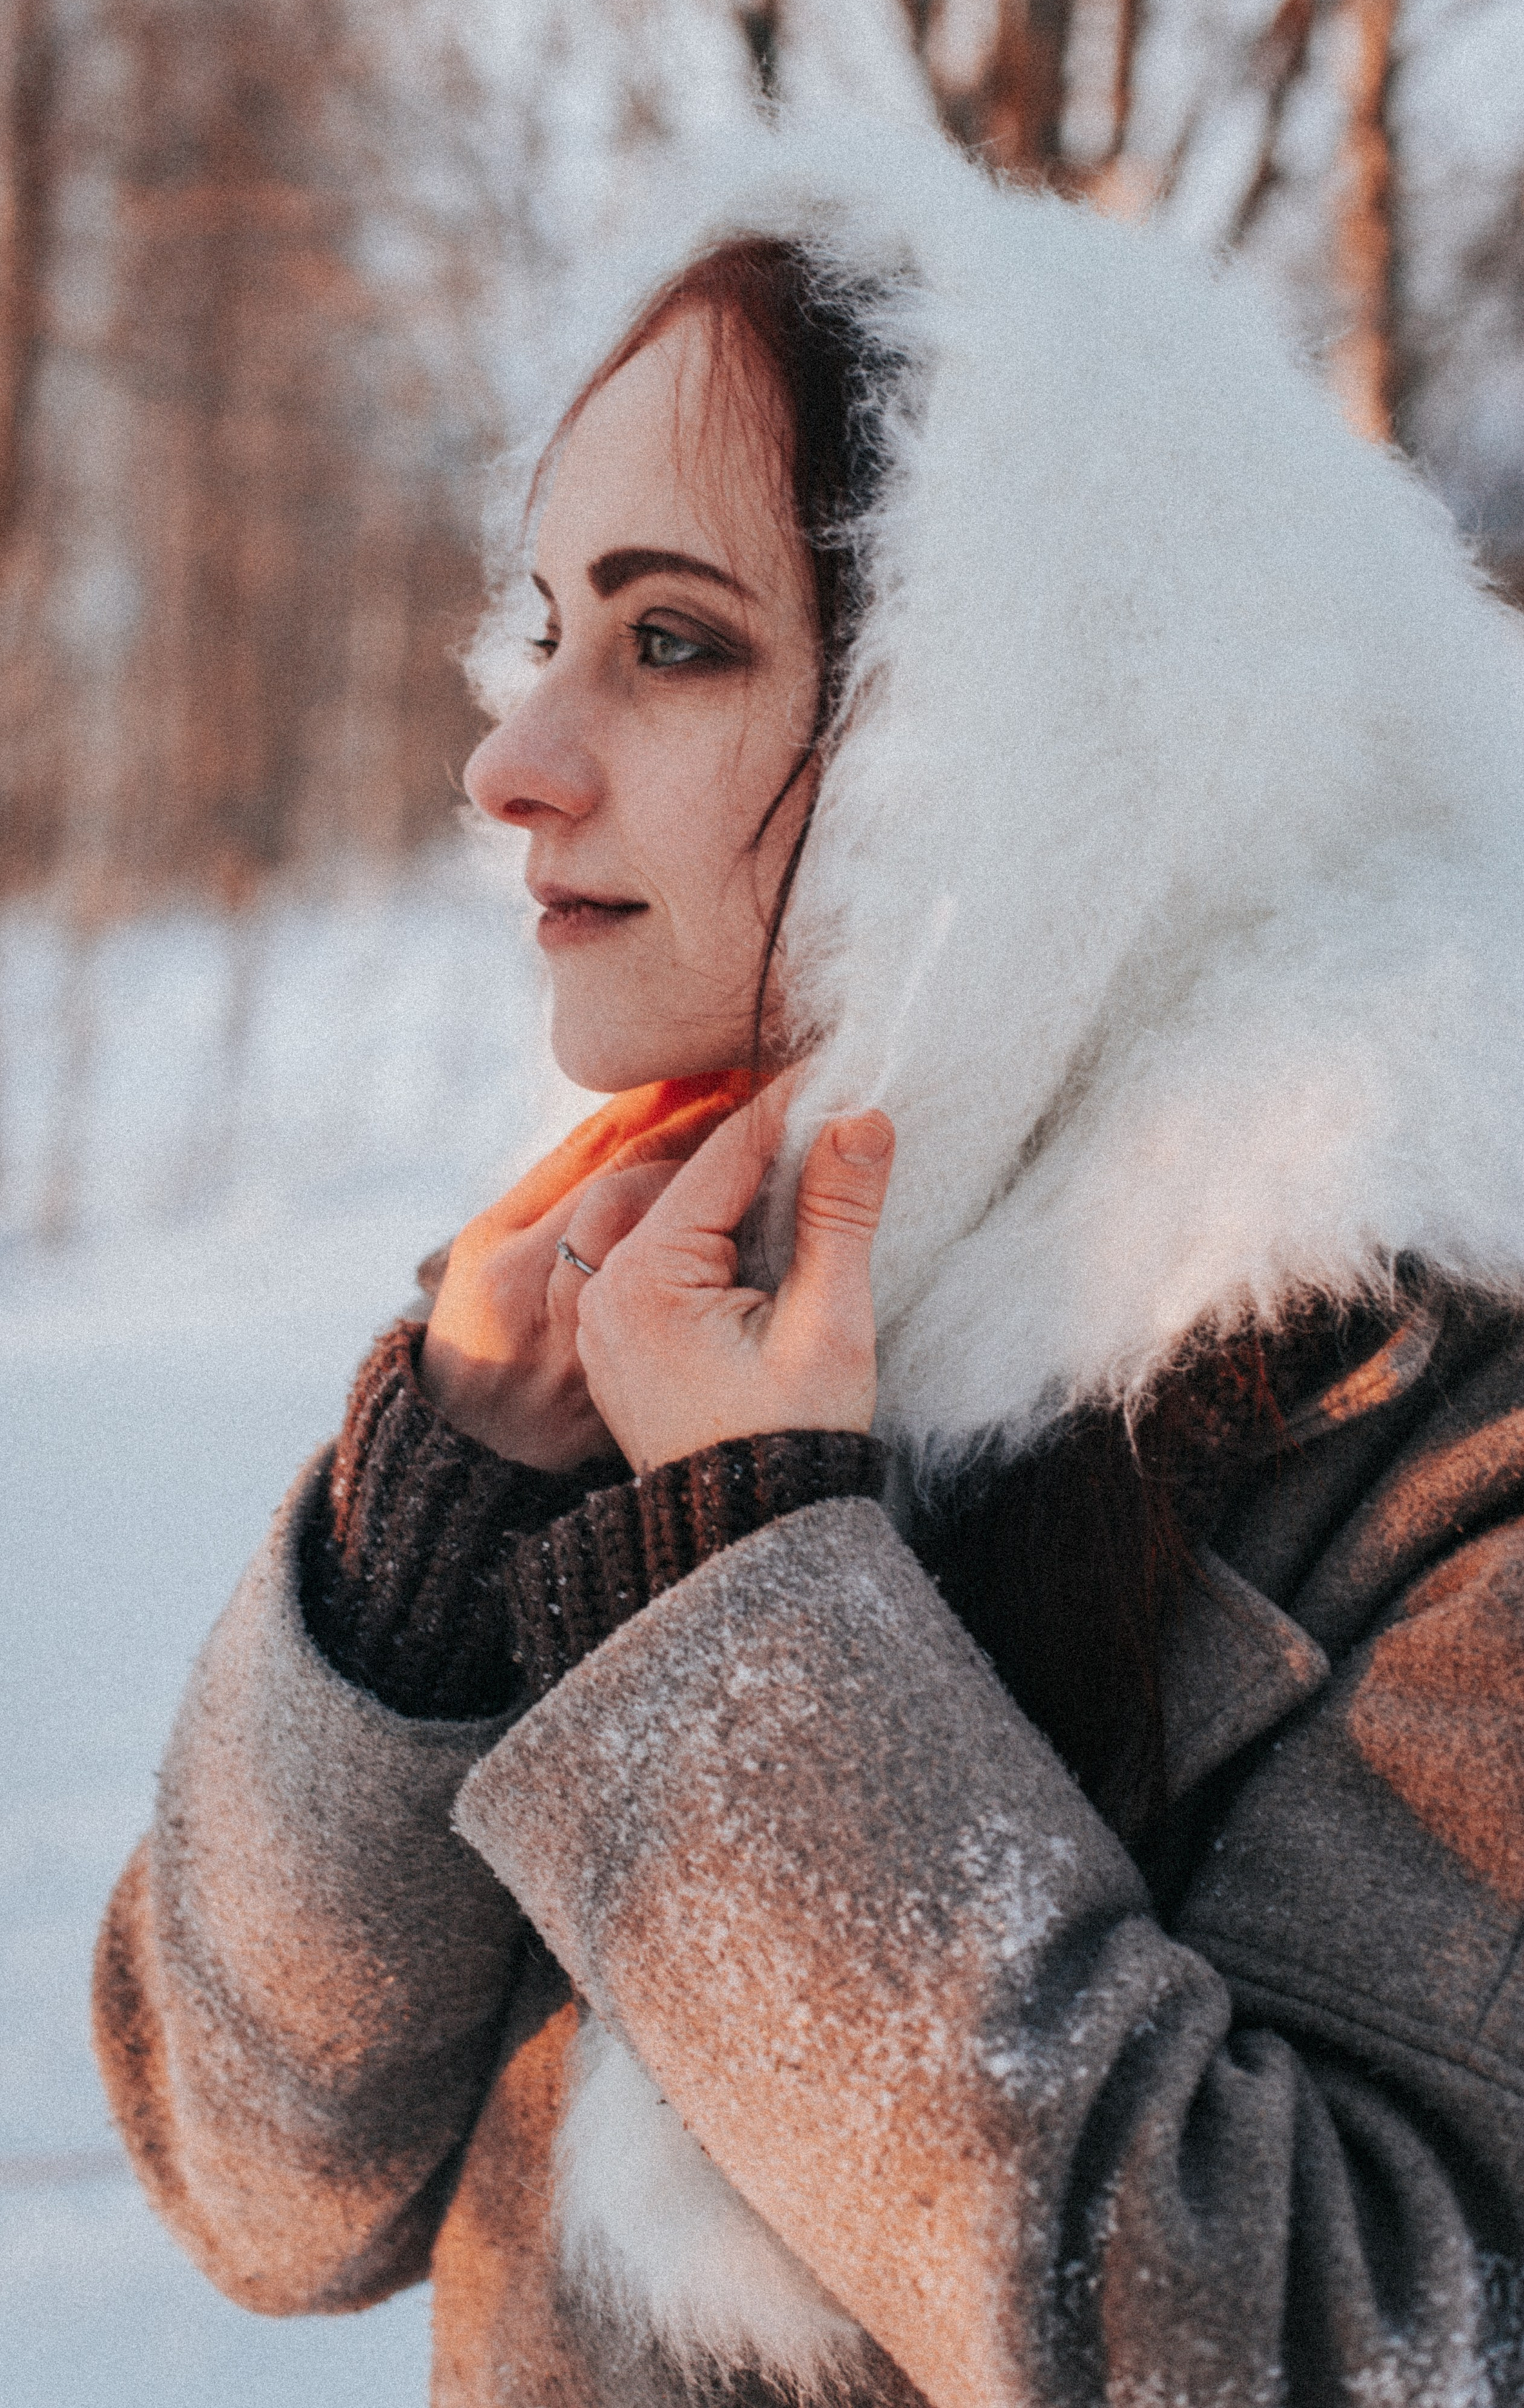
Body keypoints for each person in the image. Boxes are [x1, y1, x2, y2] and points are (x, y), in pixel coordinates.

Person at [93, 120, 1524, 2407]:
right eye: (543, 628)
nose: (511, 762)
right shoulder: (639, 1296)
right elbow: (263, 2187)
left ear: (1034, 750)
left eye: (674, 644)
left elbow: (1344, 2348)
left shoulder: (1441, 1444)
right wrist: (430, 1531)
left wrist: (742, 1604)